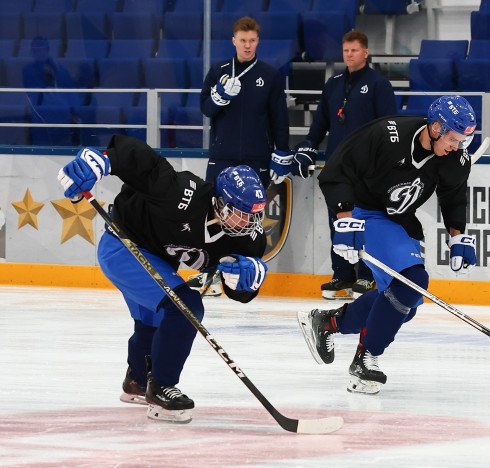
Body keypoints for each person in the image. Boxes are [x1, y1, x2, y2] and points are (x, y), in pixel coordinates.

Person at [57, 135, 268, 423]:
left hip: (157, 258)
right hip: (122, 246)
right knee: (184, 306)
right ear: (219, 202)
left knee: (157, 320)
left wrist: (247, 282)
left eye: (253, 217)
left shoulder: (248, 239)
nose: (246, 225)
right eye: (239, 214)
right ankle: (162, 387)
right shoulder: (184, 193)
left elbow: (242, 292)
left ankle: (138, 381)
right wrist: (103, 160)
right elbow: (144, 162)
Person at [297, 96, 478, 395]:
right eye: (452, 139)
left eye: (462, 141)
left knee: (403, 304)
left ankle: (329, 322)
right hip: (361, 211)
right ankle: (365, 359)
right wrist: (344, 221)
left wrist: (458, 235)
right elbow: (337, 171)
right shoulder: (387, 134)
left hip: (397, 219)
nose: (456, 147)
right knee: (413, 282)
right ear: (435, 127)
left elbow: (453, 196)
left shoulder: (455, 159)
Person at [191, 16, 296, 297]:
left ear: (257, 41)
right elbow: (206, 109)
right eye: (243, 40)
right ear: (234, 40)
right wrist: (219, 96)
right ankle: (209, 272)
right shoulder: (218, 71)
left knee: (250, 220)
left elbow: (279, 119)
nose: (247, 45)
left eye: (252, 40)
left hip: (256, 157)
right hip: (222, 156)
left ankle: (245, 271)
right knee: (212, 215)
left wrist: (282, 151)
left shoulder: (270, 75)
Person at [292, 30, 397, 300]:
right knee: (338, 221)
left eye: (354, 50)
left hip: (366, 168)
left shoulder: (378, 84)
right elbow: (320, 124)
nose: (349, 54)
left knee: (362, 221)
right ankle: (343, 274)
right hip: (336, 168)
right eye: (345, 50)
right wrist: (308, 147)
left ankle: (366, 275)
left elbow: (388, 126)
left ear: (365, 52)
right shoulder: (334, 84)